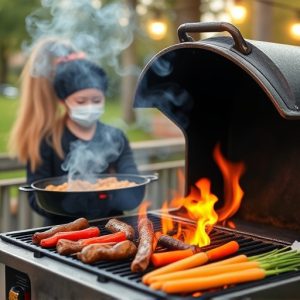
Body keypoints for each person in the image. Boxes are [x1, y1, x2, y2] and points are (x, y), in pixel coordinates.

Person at [9, 37, 142, 225]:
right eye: (81, 101)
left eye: (96, 100)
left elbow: (131, 184)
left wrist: (103, 193)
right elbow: (35, 197)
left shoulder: (115, 138)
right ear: (63, 100)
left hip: (113, 227)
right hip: (62, 230)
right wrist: (74, 198)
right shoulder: (46, 141)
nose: (89, 106)